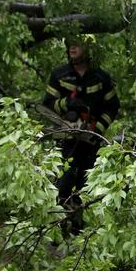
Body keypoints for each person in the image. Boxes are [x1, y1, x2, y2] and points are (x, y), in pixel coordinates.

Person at [42, 35, 120, 206]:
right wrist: (66, 103)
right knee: (64, 180)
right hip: (65, 138)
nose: (73, 47)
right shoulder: (60, 74)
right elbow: (47, 104)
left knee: (86, 185)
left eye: (77, 44)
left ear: (88, 49)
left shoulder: (100, 77)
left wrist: (97, 129)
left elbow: (112, 106)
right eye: (71, 44)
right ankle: (61, 214)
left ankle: (80, 217)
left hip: (90, 141)